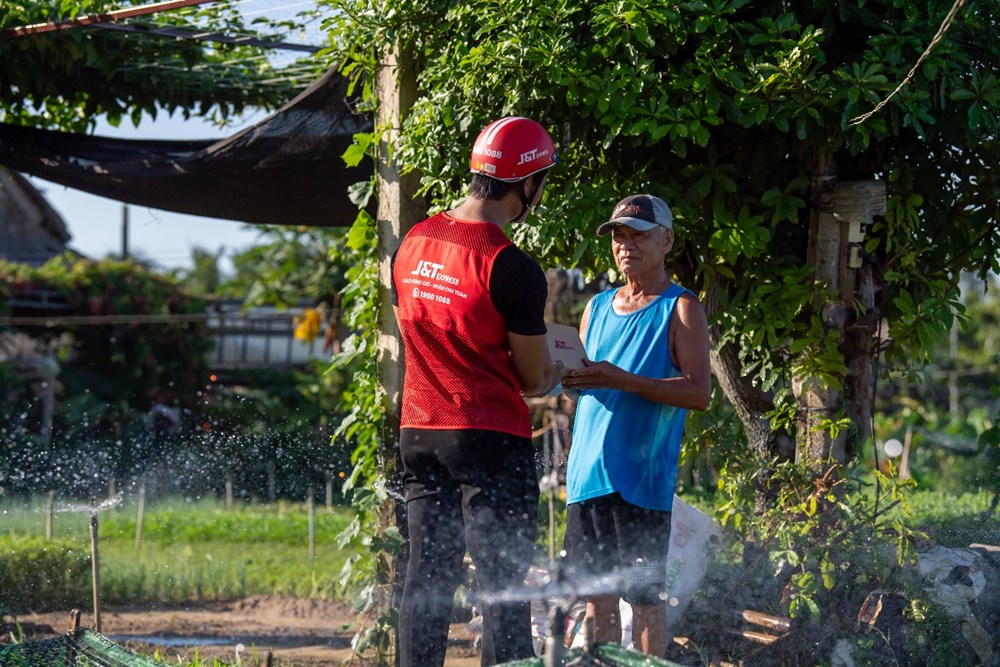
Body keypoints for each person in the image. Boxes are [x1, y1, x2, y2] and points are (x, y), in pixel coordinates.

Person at [391, 116, 564, 667]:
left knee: (426, 578)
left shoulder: (412, 242)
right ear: (529, 184)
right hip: (487, 439)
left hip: (419, 433)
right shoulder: (510, 266)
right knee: (502, 586)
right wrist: (561, 367)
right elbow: (534, 378)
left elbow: (412, 328)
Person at [559, 194, 711, 657]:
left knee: (644, 600)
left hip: (640, 484)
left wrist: (619, 380)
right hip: (587, 480)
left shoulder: (680, 307)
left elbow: (699, 393)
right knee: (596, 599)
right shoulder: (597, 308)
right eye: (619, 235)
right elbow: (584, 387)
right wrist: (565, 381)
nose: (626, 244)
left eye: (638, 234)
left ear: (666, 240)